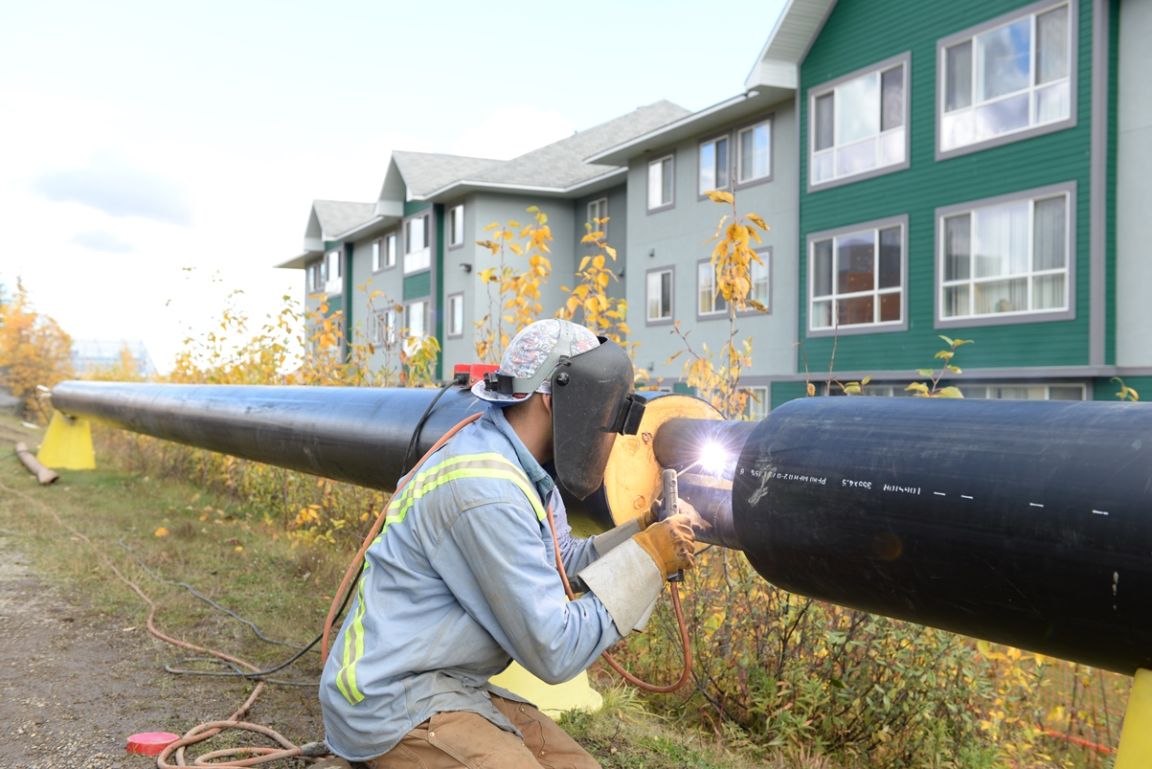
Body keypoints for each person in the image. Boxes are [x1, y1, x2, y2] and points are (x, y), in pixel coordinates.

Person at [318, 318, 697, 769]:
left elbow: (563, 563)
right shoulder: (486, 489)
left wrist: (643, 529)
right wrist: (649, 560)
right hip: (390, 700)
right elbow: (554, 651)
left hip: (452, 684)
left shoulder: (523, 467)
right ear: (553, 397)